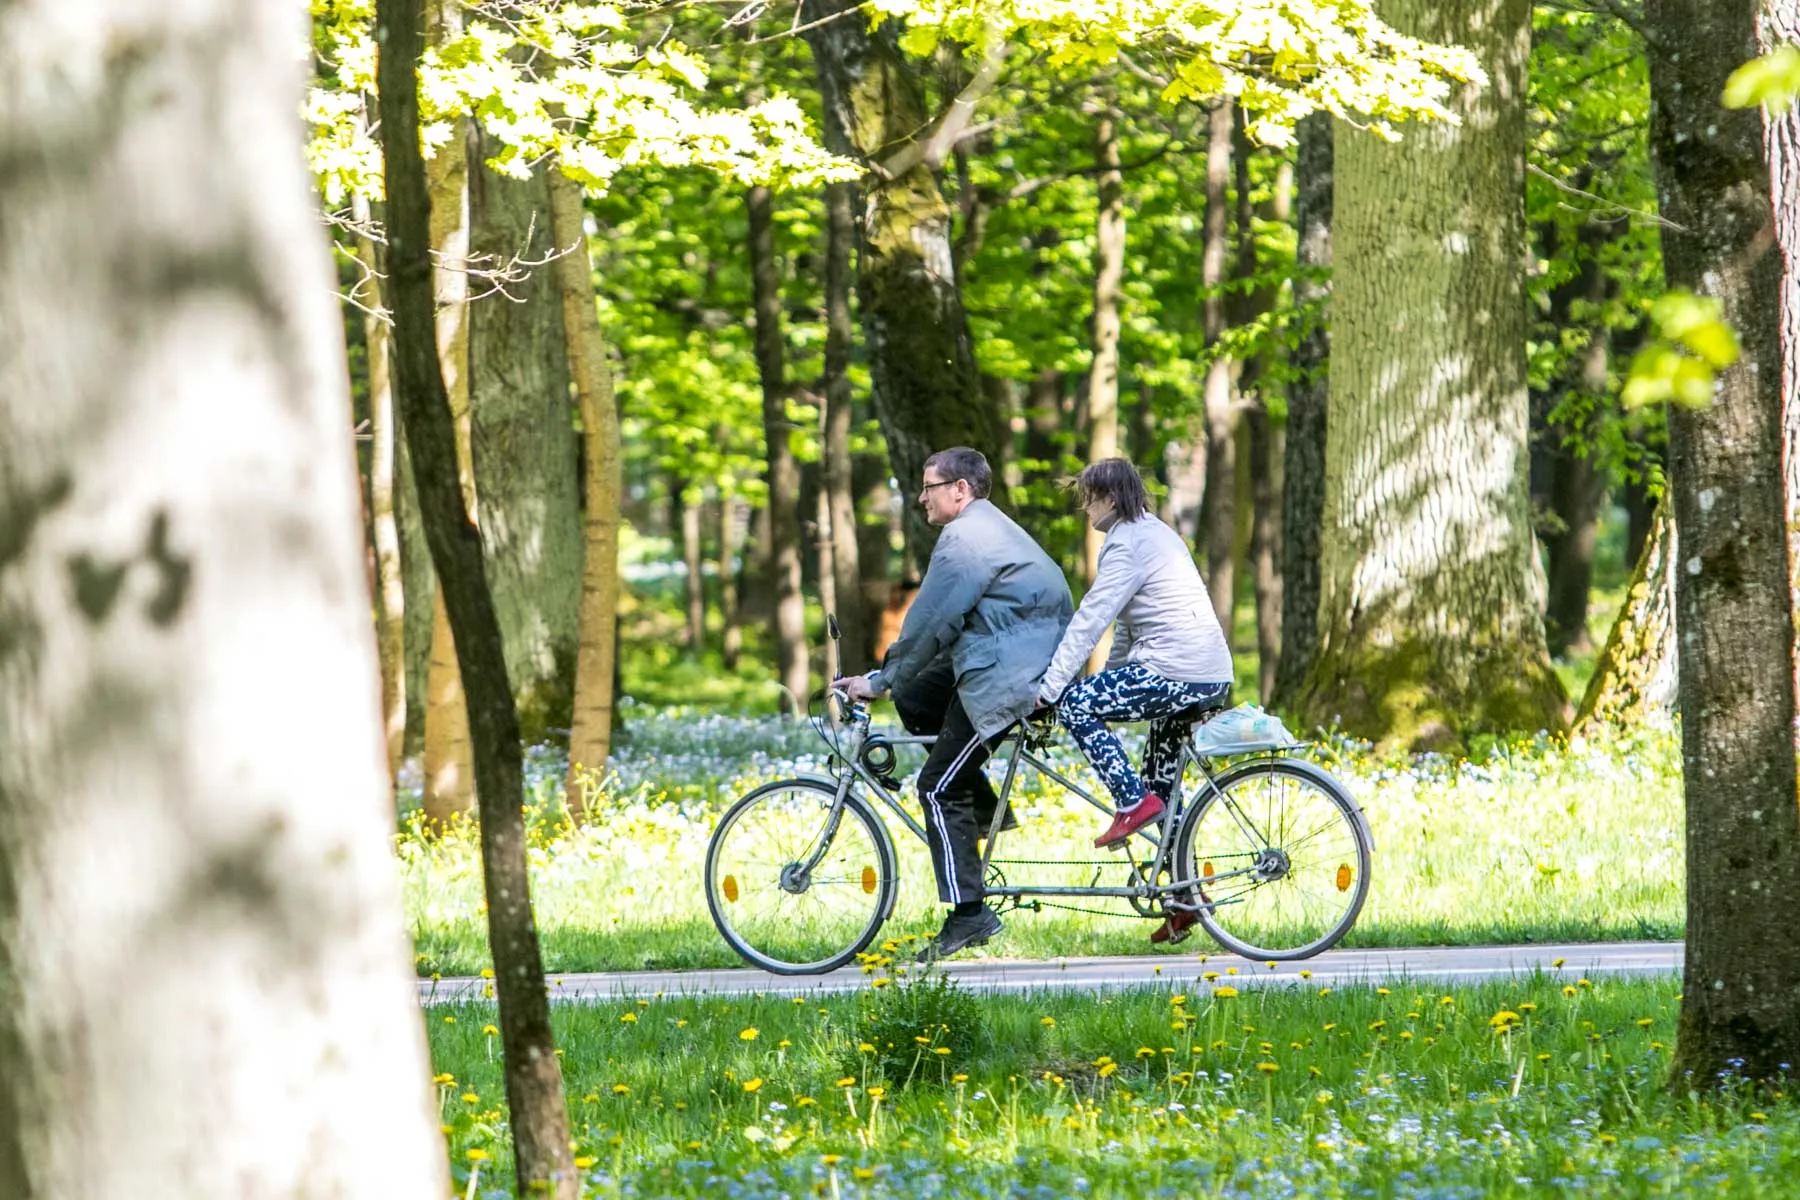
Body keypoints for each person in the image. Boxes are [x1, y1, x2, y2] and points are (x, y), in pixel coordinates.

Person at [835, 448, 1073, 960]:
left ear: (960, 489)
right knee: (918, 694)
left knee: (938, 788)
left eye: (929, 487)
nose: (921, 497)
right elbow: (946, 628)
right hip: (1011, 651)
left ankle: (970, 915)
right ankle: (984, 813)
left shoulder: (964, 539)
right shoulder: (991, 527)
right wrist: (897, 681)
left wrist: (879, 679)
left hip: (1010, 671)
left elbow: (929, 619)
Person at [1036, 458, 1233, 944]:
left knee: (1076, 705)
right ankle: (1186, 896)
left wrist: (1051, 687)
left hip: (1175, 670)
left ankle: (1129, 802)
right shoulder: (1156, 534)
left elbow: (1091, 619)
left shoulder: (1126, 543)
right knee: (1162, 786)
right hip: (1206, 674)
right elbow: (1126, 626)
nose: (1085, 509)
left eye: (1088, 498)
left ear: (1110, 498)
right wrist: (1110, 681)